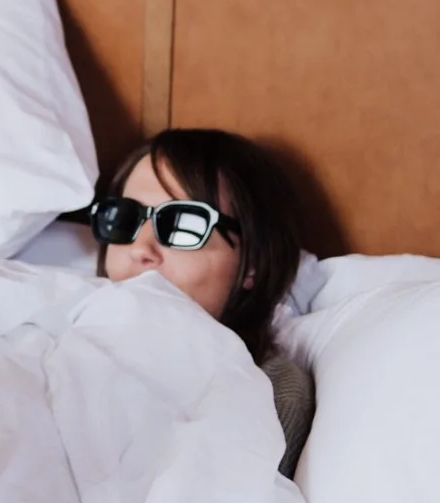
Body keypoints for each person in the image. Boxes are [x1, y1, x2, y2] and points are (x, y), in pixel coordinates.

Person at [71, 128, 314, 478]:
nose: (140, 249)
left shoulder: (270, 391)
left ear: (252, 264)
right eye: (125, 218)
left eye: (182, 224)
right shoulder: (42, 329)